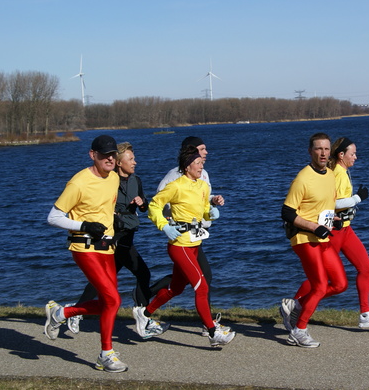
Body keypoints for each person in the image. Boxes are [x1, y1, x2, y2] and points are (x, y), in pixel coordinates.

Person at [132, 146, 235, 347]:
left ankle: (144, 313)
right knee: (201, 287)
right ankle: (213, 332)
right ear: (187, 167)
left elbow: (204, 211)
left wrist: (212, 211)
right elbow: (154, 206)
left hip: (195, 244)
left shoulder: (203, 186)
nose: (201, 165)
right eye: (197, 163)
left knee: (175, 289)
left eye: (202, 162)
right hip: (179, 245)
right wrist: (164, 226)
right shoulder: (176, 186)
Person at [65, 142, 169, 339]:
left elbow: (145, 206)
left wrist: (141, 203)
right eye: (131, 159)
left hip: (128, 235)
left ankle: (76, 311)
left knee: (104, 280)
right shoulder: (110, 180)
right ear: (120, 163)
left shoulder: (136, 180)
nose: (135, 162)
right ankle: (143, 317)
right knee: (143, 274)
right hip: (114, 237)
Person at [44, 134, 127, 373]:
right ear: (93, 155)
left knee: (107, 303)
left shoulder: (113, 178)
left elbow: (103, 209)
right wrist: (84, 225)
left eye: (113, 155)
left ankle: (61, 312)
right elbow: (53, 217)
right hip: (84, 247)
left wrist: (116, 223)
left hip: (107, 248)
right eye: (104, 155)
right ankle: (106, 354)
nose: (110, 159)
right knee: (113, 300)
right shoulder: (78, 182)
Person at [290, 137, 369, 329]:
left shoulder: (343, 171)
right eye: (353, 154)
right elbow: (333, 202)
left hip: (346, 229)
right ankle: (295, 305)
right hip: (334, 231)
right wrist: (357, 199)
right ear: (341, 155)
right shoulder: (336, 173)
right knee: (321, 278)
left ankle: (365, 313)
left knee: (366, 267)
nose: (356, 157)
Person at [279, 132, 347, 348]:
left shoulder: (329, 175)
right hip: (303, 237)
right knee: (318, 286)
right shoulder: (302, 178)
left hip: (322, 237)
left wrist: (333, 220)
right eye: (318, 149)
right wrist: (313, 227)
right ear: (310, 152)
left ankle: (296, 305)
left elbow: (322, 208)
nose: (323, 153)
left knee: (339, 284)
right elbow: (287, 213)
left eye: (326, 149)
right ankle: (298, 331)